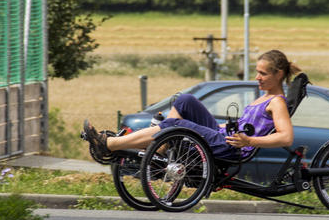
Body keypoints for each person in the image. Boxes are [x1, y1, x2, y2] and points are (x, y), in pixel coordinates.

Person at [82, 49, 301, 164]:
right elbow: (246, 124)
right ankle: (164, 146)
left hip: (232, 147)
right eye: (257, 72)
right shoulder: (262, 98)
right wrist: (226, 126)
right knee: (185, 100)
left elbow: (286, 137)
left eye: (262, 73)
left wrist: (249, 141)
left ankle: (110, 143)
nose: (257, 77)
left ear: (278, 74)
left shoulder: (276, 102)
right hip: (223, 135)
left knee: (176, 125)